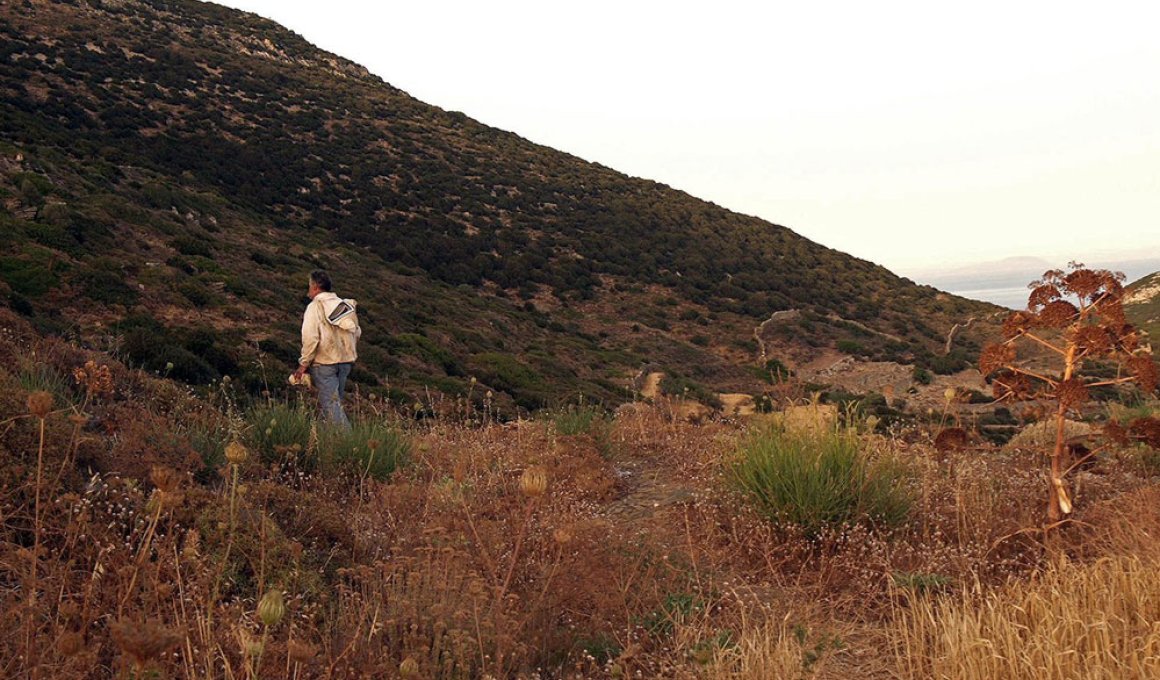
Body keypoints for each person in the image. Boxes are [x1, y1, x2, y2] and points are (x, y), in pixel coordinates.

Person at [292, 270, 360, 428]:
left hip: (324, 363)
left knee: (331, 406)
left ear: (315, 287)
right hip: (345, 362)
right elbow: (356, 331)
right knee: (334, 404)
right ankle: (325, 443)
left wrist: (303, 364)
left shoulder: (315, 306)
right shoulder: (344, 305)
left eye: (309, 286)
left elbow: (311, 337)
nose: (308, 290)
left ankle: (349, 444)